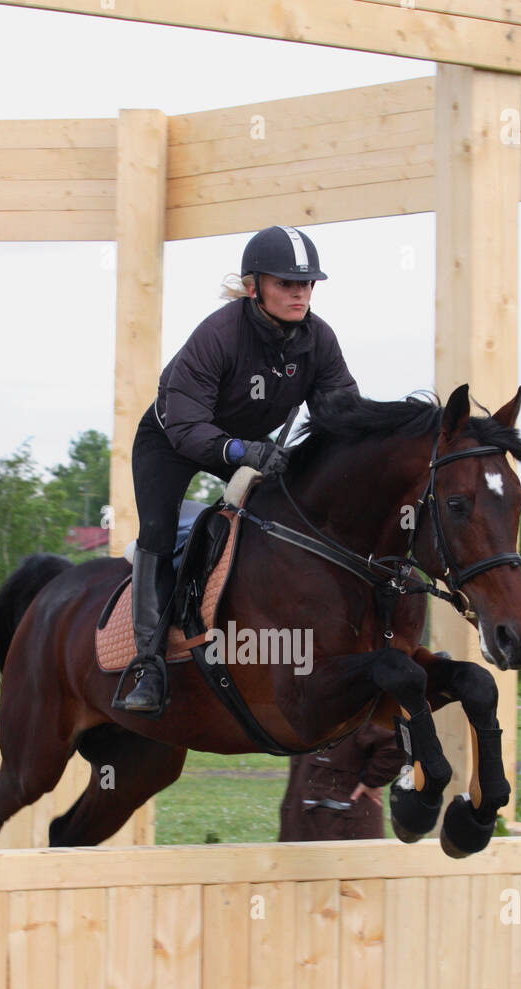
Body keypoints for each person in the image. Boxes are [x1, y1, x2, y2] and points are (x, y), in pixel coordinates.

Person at [123, 225, 358, 714]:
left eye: (306, 284)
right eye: (286, 284)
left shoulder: (319, 340)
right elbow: (188, 428)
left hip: (247, 443)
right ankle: (148, 665)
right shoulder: (219, 333)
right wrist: (243, 453)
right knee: (159, 530)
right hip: (171, 441)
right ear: (255, 287)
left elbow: (343, 417)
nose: (299, 294)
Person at [278, 724, 408, 841]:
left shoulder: (358, 704)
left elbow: (395, 744)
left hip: (345, 834)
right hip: (305, 826)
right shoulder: (313, 705)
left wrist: (372, 780)